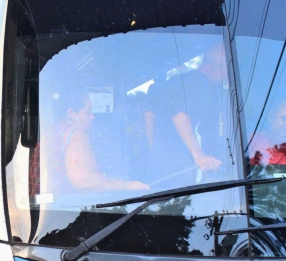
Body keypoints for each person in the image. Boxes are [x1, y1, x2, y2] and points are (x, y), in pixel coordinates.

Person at [54, 91, 149, 193]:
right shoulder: (76, 134)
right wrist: (128, 185)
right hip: (73, 206)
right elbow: (85, 181)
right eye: (87, 112)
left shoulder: (53, 133)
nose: (92, 117)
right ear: (71, 113)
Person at [159, 41, 228, 177]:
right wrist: (200, 156)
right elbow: (180, 116)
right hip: (184, 170)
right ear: (213, 68)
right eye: (226, 69)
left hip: (167, 165)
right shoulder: (198, 83)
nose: (227, 76)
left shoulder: (178, 81)